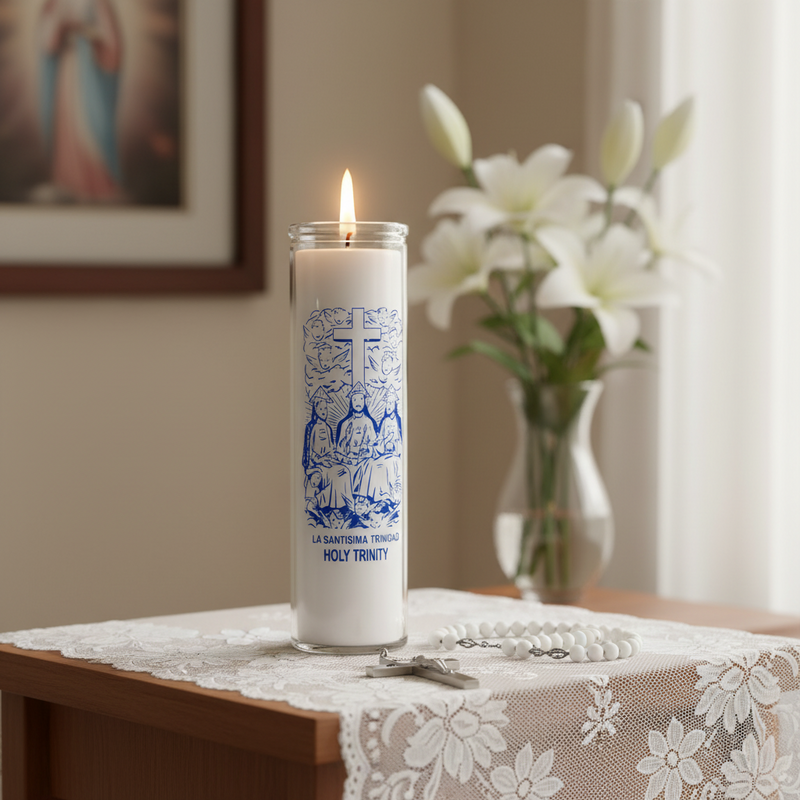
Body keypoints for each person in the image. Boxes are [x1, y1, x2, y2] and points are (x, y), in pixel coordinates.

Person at [38, 0, 124, 202]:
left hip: (91, 77)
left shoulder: (99, 4)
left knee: (91, 123)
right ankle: (68, 181)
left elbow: (112, 45)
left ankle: (97, 182)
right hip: (67, 72)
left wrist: (86, 32)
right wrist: (60, 28)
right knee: (67, 124)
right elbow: (47, 45)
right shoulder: (55, 3)